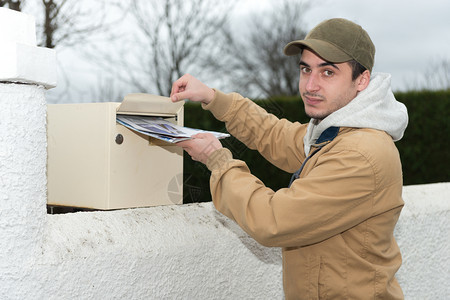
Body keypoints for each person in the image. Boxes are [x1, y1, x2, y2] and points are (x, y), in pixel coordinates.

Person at [170, 18, 408, 299]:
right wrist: (212, 98)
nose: (310, 85)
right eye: (306, 69)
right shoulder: (339, 132)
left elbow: (273, 220)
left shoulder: (360, 154)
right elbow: (276, 136)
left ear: (362, 79)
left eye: (328, 72)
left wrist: (217, 159)